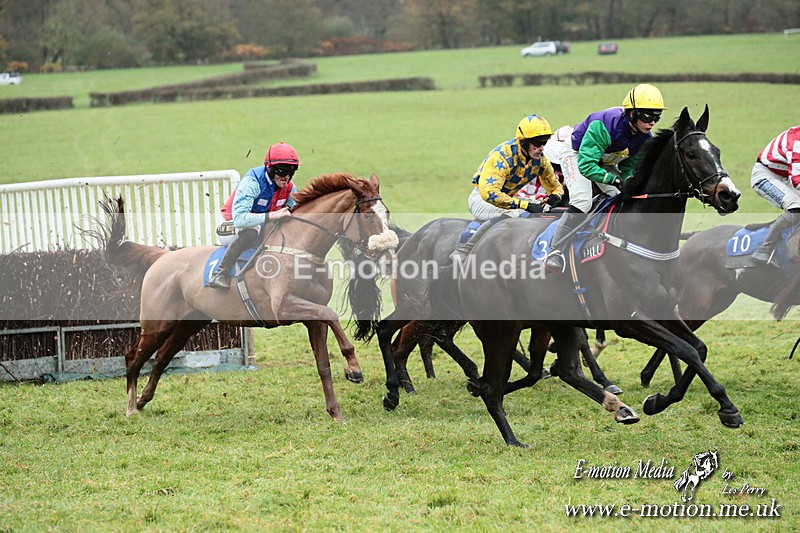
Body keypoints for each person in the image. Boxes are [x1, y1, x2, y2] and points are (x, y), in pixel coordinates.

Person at [544, 83, 667, 272]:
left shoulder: (645, 137)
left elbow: (628, 167)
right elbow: (586, 165)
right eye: (648, 115)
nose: (652, 122)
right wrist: (614, 180)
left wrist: (628, 181)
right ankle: (556, 250)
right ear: (632, 113)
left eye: (657, 117)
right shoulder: (604, 125)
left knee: (626, 194)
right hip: (577, 155)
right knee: (583, 201)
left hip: (604, 161)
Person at [452, 114, 564, 259]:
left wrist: (556, 195)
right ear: (524, 142)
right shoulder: (503, 156)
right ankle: (464, 250)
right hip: (482, 200)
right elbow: (490, 194)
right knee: (515, 213)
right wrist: (524, 205)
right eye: (537, 143)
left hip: (506, 200)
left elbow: (554, 186)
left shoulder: (540, 160)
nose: (541, 148)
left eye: (544, 143)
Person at [207, 141, 300, 289]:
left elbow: (295, 209)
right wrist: (271, 216)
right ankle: (220, 273)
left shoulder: (289, 186)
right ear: (270, 169)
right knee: (253, 230)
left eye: (291, 172)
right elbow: (240, 219)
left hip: (259, 222)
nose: (286, 177)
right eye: (282, 171)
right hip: (230, 223)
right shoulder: (253, 181)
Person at [748, 125, 800, 265]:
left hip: (787, 176)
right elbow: (796, 180)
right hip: (766, 177)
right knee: (796, 205)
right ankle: (765, 248)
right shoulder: (797, 140)